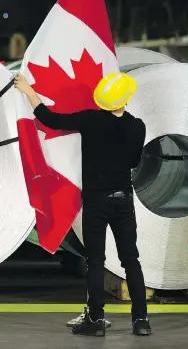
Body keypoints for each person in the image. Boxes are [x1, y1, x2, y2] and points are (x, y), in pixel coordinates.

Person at [14, 72, 152, 338]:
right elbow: (134, 163)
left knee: (96, 261)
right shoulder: (137, 126)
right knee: (131, 260)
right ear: (125, 98)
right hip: (123, 200)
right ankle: (141, 320)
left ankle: (96, 321)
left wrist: (29, 91)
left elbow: (50, 119)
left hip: (96, 201)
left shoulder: (91, 120)